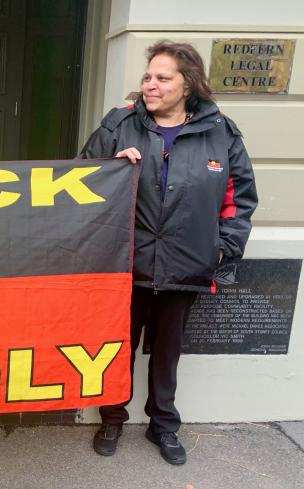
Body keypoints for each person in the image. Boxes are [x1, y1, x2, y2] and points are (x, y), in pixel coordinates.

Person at [79, 41, 257, 465]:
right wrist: (112, 168)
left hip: (186, 265)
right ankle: (112, 418)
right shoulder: (119, 124)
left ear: (188, 83)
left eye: (162, 78)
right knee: (118, 349)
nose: (150, 85)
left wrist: (221, 249)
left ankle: (163, 426)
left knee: (167, 353)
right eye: (147, 77)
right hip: (126, 264)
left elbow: (239, 200)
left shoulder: (222, 133)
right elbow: (79, 179)